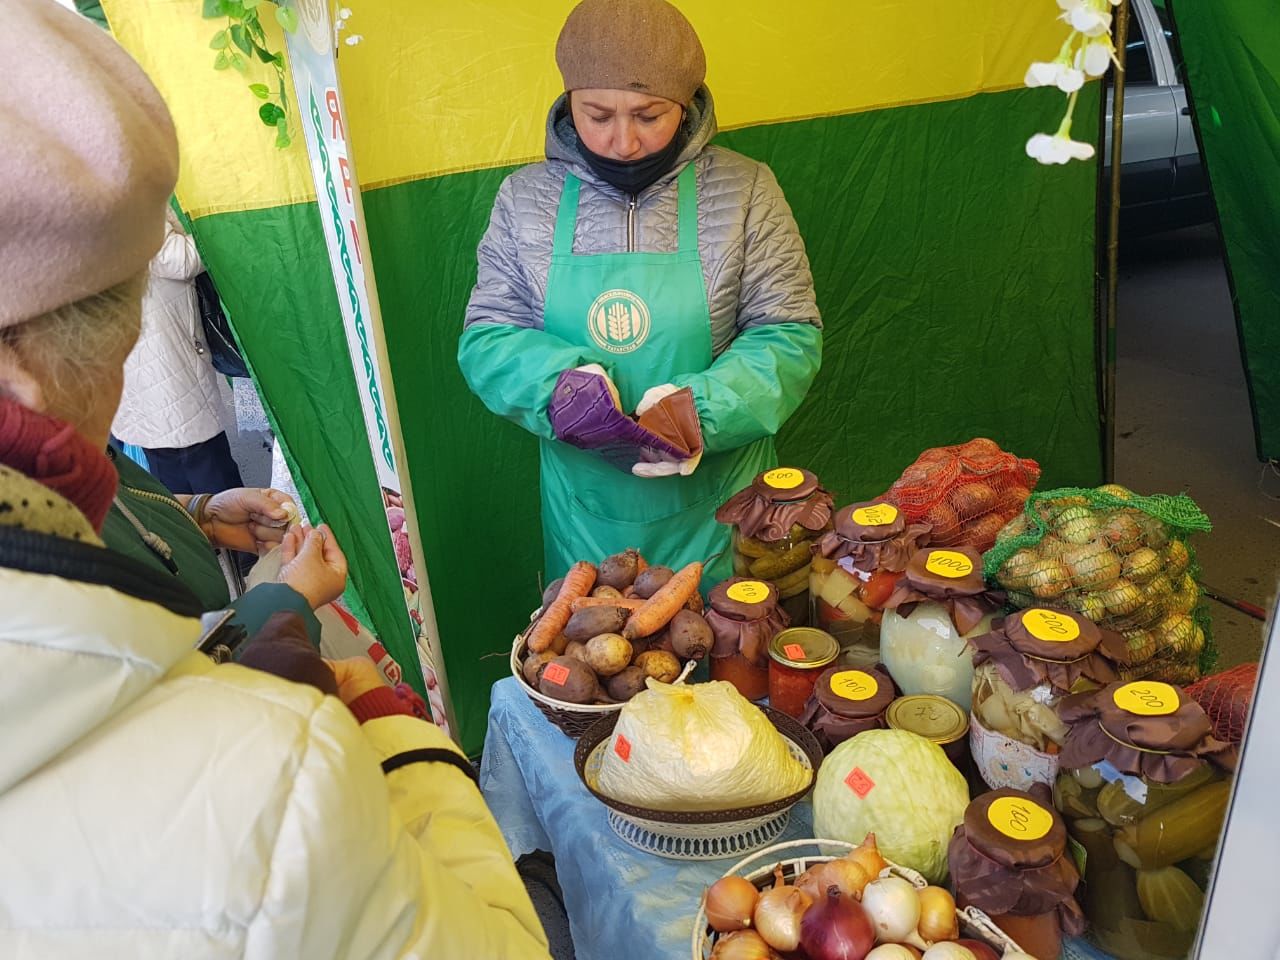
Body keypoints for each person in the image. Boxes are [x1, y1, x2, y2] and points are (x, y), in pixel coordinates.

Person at [0, 3, 551, 957]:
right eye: (119, 356)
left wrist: (199, 516)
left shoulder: (59, 479)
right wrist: (378, 723)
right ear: (33, 374)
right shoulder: (272, 783)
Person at [458, 0, 822, 584]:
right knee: (595, 651)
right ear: (567, 103)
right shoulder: (524, 199)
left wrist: (698, 412)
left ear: (687, 105)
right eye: (596, 114)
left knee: (730, 650)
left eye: (649, 115)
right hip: (585, 511)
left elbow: (789, 334)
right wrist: (561, 390)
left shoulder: (746, 189)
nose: (623, 141)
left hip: (722, 504)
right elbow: (488, 336)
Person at [111, 206, 245, 496]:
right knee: (208, 470)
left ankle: (193, 537)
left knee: (169, 468)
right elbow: (181, 260)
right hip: (164, 362)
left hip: (137, 355)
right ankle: (232, 539)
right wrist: (226, 219)